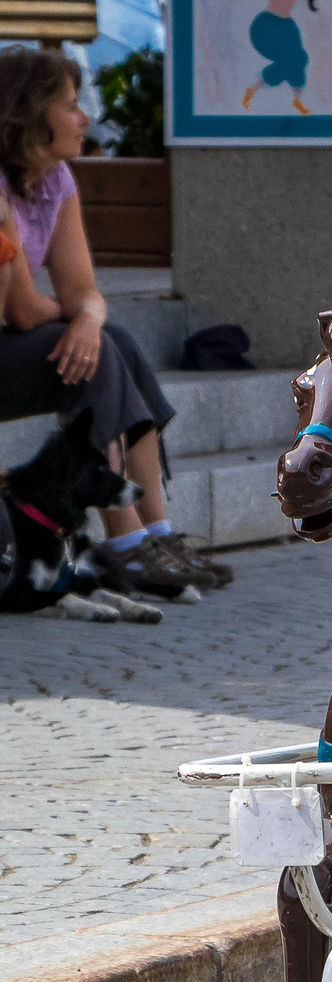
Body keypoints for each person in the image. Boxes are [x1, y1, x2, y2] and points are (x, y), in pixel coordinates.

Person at [0, 45, 229, 596]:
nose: (86, 120)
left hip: (13, 346)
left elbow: (83, 292)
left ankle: (155, 536)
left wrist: (89, 317)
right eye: (72, 106)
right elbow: (25, 309)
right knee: (101, 352)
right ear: (32, 116)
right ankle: (126, 544)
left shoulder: (56, 182)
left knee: (114, 341)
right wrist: (79, 318)